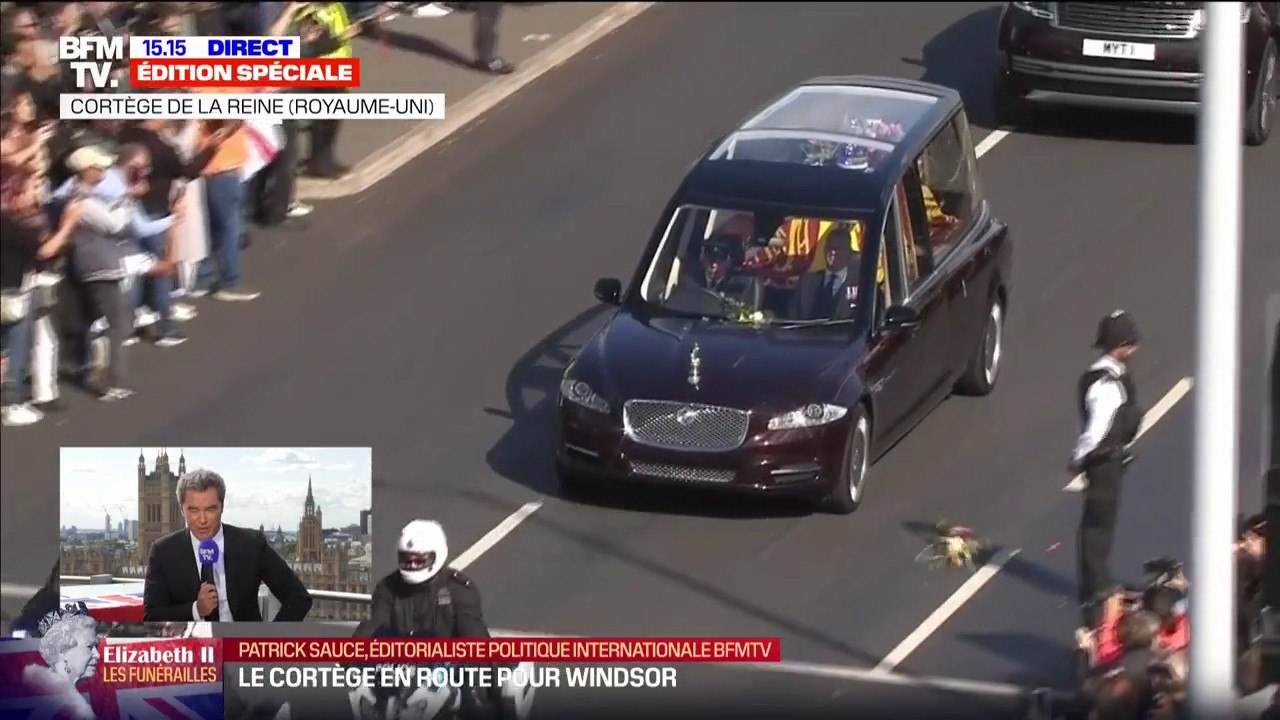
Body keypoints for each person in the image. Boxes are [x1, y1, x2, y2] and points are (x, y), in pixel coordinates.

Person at [356, 519, 503, 719]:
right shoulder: (386, 588)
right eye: (407, 559)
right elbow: (372, 626)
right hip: (398, 667)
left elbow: (477, 641)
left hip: (449, 670)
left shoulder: (459, 590)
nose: (412, 565)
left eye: (419, 560)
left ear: (437, 555)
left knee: (475, 703)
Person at [142, 469, 313, 622]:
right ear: (181, 510)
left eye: (210, 509)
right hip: (191, 651)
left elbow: (298, 597)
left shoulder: (251, 544)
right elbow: (152, 616)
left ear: (222, 507)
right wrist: (196, 609)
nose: (202, 520)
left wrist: (267, 644)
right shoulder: (163, 551)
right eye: (193, 511)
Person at [1069, 309, 1144, 626]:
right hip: (1104, 463)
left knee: (1103, 524)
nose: (1136, 350)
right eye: (1132, 344)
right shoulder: (1106, 385)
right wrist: (1078, 458)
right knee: (1096, 527)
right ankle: (1095, 586)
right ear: (1121, 346)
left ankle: (1099, 579)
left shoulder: (1114, 376)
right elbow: (1096, 430)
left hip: (1110, 460)